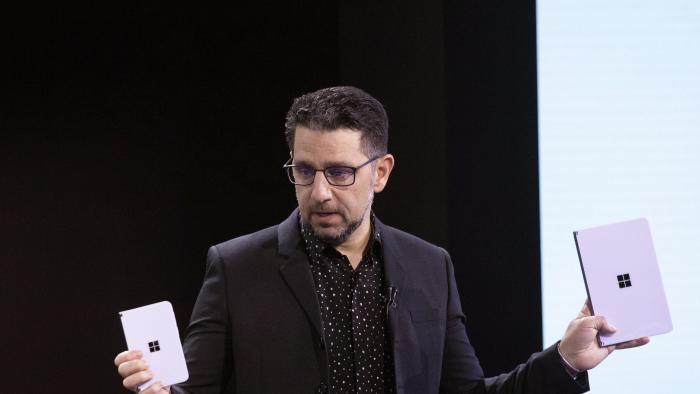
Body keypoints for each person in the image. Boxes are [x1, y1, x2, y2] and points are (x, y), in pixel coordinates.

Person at [114, 86, 649, 394]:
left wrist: (566, 361)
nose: (320, 192)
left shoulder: (428, 266)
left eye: (340, 172)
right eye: (304, 171)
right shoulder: (235, 267)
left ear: (382, 171)